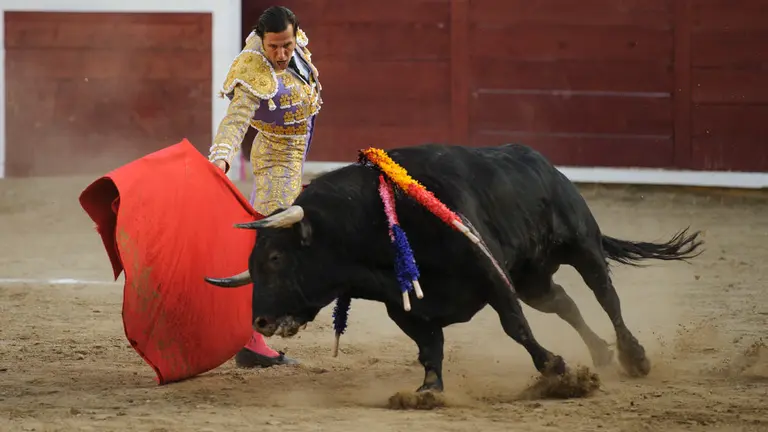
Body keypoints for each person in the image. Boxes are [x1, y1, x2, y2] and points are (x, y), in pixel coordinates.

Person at [207, 5, 322, 368]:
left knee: (273, 243)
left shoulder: (293, 44)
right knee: (273, 248)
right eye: (273, 47)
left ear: (295, 34)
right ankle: (252, 342)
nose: (281, 54)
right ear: (262, 40)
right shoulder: (253, 67)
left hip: (293, 153)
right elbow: (236, 120)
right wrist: (221, 159)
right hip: (276, 158)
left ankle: (254, 334)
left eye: (287, 45)